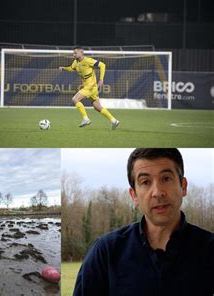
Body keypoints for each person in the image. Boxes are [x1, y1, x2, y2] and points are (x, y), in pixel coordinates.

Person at [73, 148, 214, 296]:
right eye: (145, 182)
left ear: (183, 186)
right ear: (134, 195)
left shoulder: (210, 250)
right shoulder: (106, 252)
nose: (157, 192)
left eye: (166, 178)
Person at [59, 46, 119, 129]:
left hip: (90, 87)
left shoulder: (88, 60)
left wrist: (101, 79)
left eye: (75, 53)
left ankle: (85, 119)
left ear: (81, 52)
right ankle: (114, 121)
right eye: (73, 53)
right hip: (91, 88)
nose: (73, 54)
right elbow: (72, 68)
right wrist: (64, 68)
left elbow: (102, 65)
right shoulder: (76, 62)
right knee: (97, 107)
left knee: (75, 99)